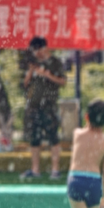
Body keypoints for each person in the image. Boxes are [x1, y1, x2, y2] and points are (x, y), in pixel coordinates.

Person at [20, 36, 67, 180]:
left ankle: (55, 170)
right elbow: (25, 84)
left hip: (49, 105)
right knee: (34, 138)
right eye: (34, 51)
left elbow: (63, 82)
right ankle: (35, 170)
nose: (37, 53)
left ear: (45, 48)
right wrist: (30, 71)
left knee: (53, 136)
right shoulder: (33, 63)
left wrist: (47, 75)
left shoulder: (55, 63)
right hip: (33, 105)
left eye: (38, 50)